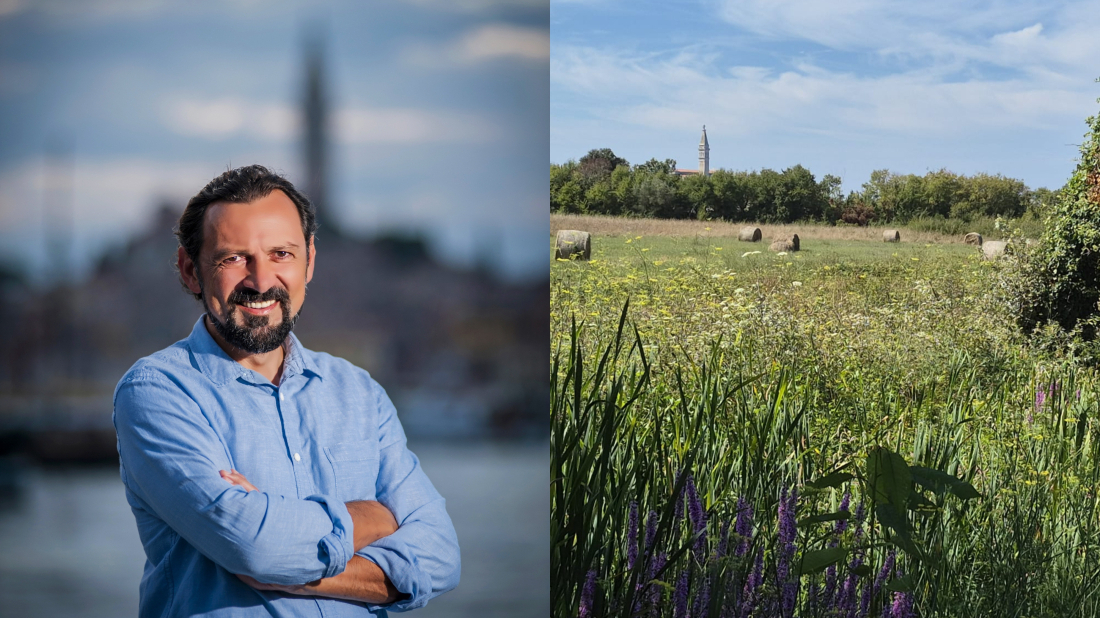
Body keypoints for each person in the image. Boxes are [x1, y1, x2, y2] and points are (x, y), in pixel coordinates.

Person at [113, 165, 460, 617]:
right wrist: (374, 518)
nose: (261, 281)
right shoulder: (157, 393)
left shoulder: (359, 393)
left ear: (309, 262)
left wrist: (290, 566)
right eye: (233, 258)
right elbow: (253, 546)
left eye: (281, 254)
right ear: (190, 270)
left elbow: (442, 556)